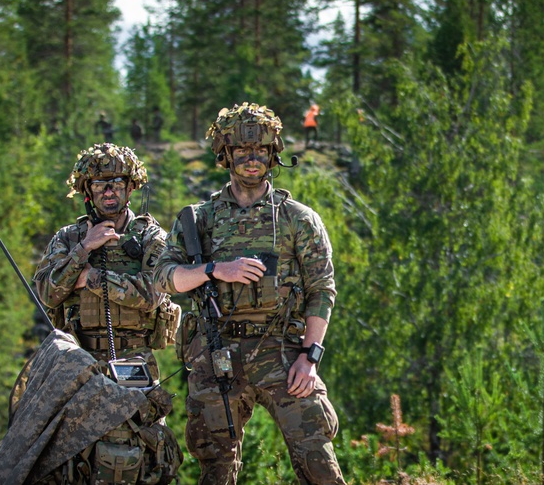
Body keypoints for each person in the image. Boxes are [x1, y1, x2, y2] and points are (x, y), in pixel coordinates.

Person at [153, 102, 346, 485]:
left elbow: (322, 289)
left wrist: (310, 357)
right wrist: (214, 269)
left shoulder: (298, 219)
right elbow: (164, 277)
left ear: (273, 154)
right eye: (242, 151)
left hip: (283, 354)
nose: (252, 159)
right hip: (217, 353)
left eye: (260, 150)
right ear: (226, 155)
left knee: (318, 459)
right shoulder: (200, 219)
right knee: (216, 470)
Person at [32, 142, 182, 483]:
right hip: (76, 362)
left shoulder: (150, 237)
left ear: (131, 187)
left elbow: (153, 293)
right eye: (100, 183)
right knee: (69, 459)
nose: (109, 190)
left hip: (134, 361)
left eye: (117, 182)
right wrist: (85, 249)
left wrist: (92, 278)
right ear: (87, 190)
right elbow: (45, 292)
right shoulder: (70, 238)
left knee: (133, 457)